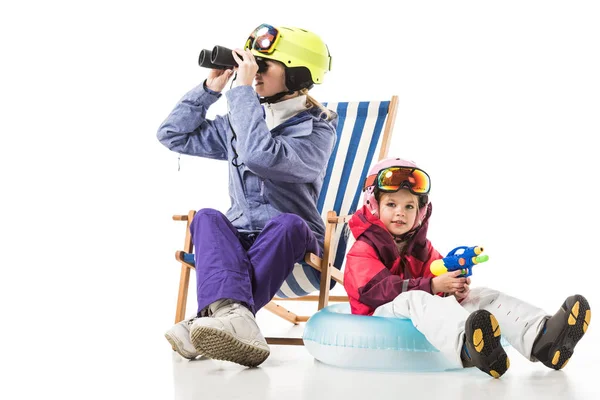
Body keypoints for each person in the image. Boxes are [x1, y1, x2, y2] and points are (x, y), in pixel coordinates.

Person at [157, 24, 336, 367]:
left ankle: (205, 321)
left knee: (288, 223)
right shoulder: (238, 121)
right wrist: (210, 89)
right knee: (207, 217)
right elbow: (172, 135)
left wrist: (241, 95)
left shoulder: (317, 128)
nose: (252, 72)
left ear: (298, 73)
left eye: (263, 65)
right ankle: (237, 320)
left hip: (293, 246)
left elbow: (259, 155)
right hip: (238, 243)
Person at [343, 157, 591, 378]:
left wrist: (453, 289)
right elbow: (375, 290)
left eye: (409, 206)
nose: (401, 213)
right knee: (414, 298)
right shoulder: (363, 249)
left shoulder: (421, 248)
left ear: (420, 211)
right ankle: (469, 347)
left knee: (479, 296)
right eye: (391, 205)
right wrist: (431, 285)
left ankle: (542, 338)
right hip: (377, 320)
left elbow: (438, 285)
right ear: (374, 206)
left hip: (420, 317)